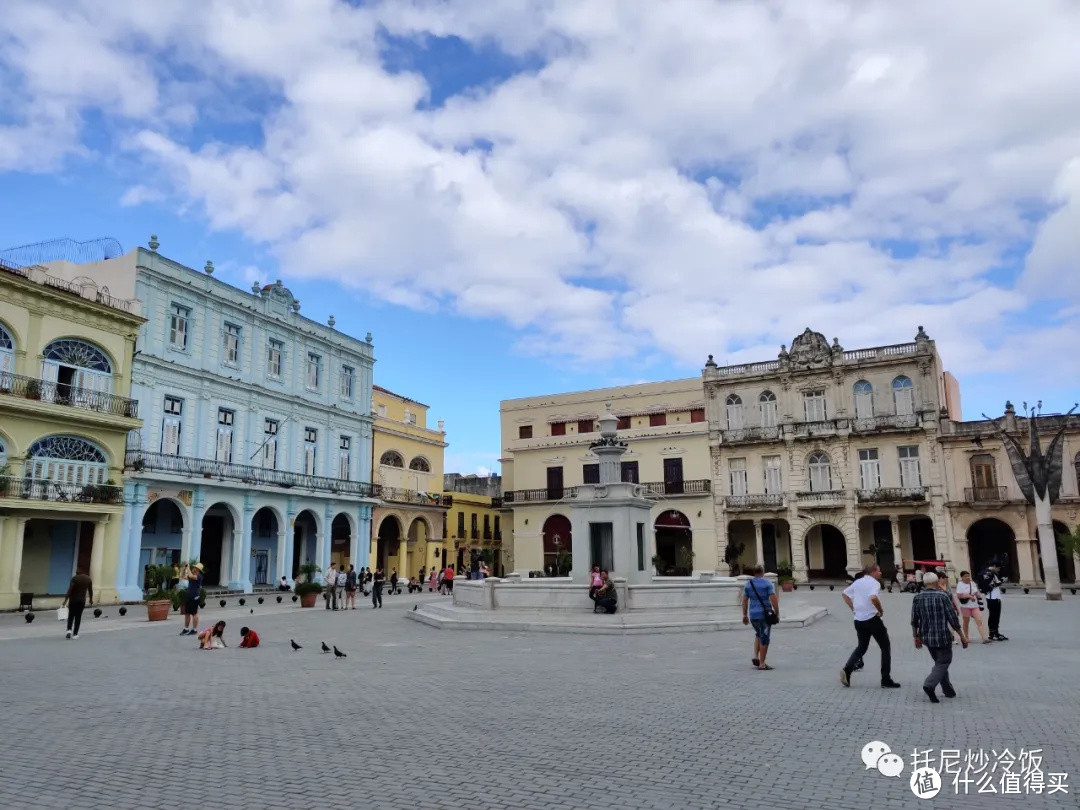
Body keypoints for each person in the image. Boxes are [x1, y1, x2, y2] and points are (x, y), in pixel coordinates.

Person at [840, 564, 900, 689]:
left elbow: (845, 594)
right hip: (872, 619)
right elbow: (873, 598)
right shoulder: (874, 583)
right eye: (879, 571)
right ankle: (886, 679)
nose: (881, 573)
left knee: (861, 647)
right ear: (873, 572)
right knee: (885, 647)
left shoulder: (858, 582)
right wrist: (880, 610)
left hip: (858, 620)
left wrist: (853, 608)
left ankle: (847, 669)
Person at [912, 572, 967, 702]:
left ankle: (948, 690)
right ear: (937, 582)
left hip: (927, 637)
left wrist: (916, 636)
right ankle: (929, 685)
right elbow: (952, 618)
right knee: (944, 662)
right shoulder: (942, 596)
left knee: (939, 663)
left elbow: (914, 620)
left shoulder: (918, 597)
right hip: (942, 636)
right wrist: (962, 636)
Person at [742, 565, 779, 671]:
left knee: (758, 634)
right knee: (765, 638)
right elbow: (773, 599)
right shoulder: (767, 583)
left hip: (753, 616)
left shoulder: (749, 584)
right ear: (762, 572)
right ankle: (762, 663)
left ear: (754, 572)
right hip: (764, 615)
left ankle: (755, 656)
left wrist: (744, 615)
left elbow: (744, 600)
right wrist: (777, 612)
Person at [955, 570, 990, 643]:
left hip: (975, 605)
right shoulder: (960, 584)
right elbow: (959, 595)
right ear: (962, 577)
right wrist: (969, 596)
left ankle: (984, 638)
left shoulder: (972, 583)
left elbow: (977, 592)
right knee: (966, 622)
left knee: (979, 621)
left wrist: (978, 594)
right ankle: (966, 637)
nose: (967, 577)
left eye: (968, 576)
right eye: (965, 576)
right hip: (965, 606)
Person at [977, 562, 1008, 641]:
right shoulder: (986, 574)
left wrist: (1000, 581)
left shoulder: (992, 573)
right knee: (993, 616)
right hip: (992, 597)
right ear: (994, 566)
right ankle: (993, 633)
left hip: (996, 597)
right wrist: (1001, 581)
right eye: (998, 568)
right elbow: (988, 586)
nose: (998, 570)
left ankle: (995, 632)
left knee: (996, 616)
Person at [62, 568, 94, 640]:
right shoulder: (88, 579)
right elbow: (90, 591)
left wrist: (65, 601)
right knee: (78, 617)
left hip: (73, 600)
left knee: (71, 615)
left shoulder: (74, 578)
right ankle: (75, 634)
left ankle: (69, 630)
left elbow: (70, 590)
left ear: (77, 572)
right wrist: (91, 600)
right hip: (81, 601)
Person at [182, 563, 204, 636]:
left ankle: (194, 629)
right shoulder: (192, 576)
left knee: (194, 613)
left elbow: (191, 576)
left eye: (195, 567)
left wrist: (188, 568)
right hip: (189, 596)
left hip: (195, 597)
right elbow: (182, 576)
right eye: (194, 567)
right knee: (187, 613)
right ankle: (186, 628)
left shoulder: (199, 576)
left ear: (198, 569)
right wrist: (184, 569)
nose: (194, 568)